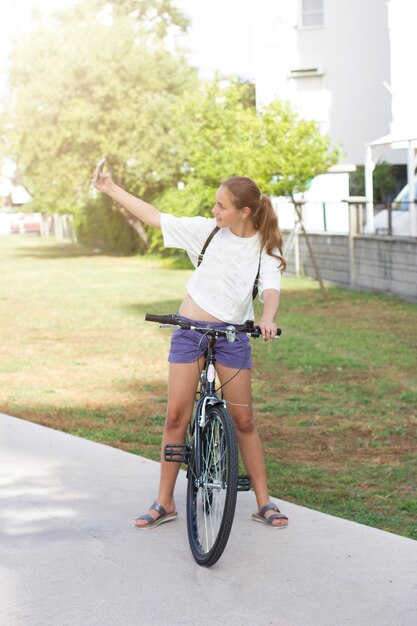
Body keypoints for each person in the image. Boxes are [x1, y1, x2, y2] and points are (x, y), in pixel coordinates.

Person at [94, 170, 288, 529]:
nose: (214, 209)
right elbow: (154, 217)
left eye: (222, 205)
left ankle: (264, 502)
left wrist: (268, 318)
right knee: (176, 417)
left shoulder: (265, 244)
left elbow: (271, 290)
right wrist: (110, 188)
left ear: (244, 211)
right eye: (215, 203)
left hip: (233, 337)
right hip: (189, 332)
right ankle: (164, 501)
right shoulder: (207, 230)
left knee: (244, 421)